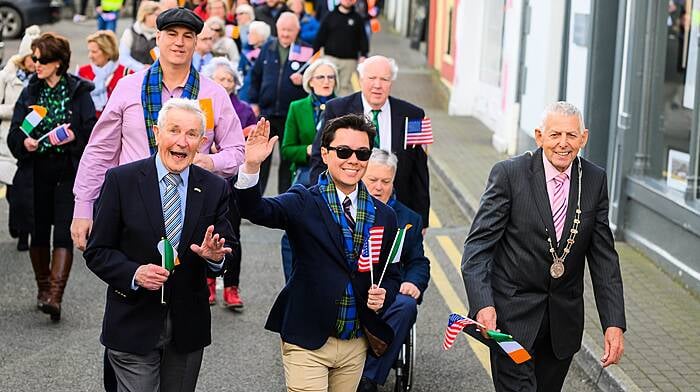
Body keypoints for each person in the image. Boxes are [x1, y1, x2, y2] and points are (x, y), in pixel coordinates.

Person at [461, 102, 626, 391]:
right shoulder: (509, 174)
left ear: (584, 138)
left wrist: (613, 323)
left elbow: (604, 259)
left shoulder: (595, 179)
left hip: (562, 326)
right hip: (511, 322)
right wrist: (483, 304)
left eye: (571, 136)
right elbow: (477, 249)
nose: (563, 144)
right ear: (539, 136)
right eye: (555, 135)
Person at [237, 113, 401, 392]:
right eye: (343, 151)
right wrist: (251, 166)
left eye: (362, 153)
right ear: (325, 154)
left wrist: (384, 293)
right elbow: (256, 210)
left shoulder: (385, 216)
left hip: (355, 342)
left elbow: (392, 273)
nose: (353, 160)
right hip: (307, 338)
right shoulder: (303, 201)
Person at [85, 98, 235, 392]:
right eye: (174, 130)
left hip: (187, 325)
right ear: (157, 133)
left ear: (202, 142)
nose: (182, 141)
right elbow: (97, 251)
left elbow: (227, 250)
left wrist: (215, 257)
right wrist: (134, 273)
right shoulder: (121, 180)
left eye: (192, 134)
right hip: (132, 320)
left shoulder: (215, 188)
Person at [71, 7, 245, 253]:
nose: (179, 42)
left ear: (196, 42)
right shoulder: (127, 87)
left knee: (184, 287)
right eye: (172, 34)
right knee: (128, 282)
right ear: (158, 38)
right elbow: (100, 150)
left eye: (187, 36)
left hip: (188, 207)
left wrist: (209, 162)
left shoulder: (214, 93)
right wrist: (83, 206)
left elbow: (237, 151)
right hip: (131, 206)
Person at [7, 32, 97, 321]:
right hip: (35, 172)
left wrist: (71, 138)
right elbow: (15, 133)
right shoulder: (30, 92)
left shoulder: (79, 92)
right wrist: (24, 142)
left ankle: (55, 296)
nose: (35, 64)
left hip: (67, 173)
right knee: (38, 231)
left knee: (62, 234)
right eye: (33, 59)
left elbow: (90, 133)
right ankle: (43, 289)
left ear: (58, 63)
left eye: (41, 59)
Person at [309, 55, 430, 229]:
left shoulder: (413, 115)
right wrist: (322, 206)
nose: (377, 85)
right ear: (360, 79)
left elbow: (420, 171)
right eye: (372, 78)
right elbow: (319, 160)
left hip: (395, 212)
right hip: (346, 211)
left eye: (384, 79)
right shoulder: (337, 109)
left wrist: (422, 219)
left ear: (391, 82)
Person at [357, 148, 429, 391]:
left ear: (393, 180)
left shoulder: (410, 219)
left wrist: (413, 283)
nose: (378, 187)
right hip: (353, 289)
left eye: (385, 181)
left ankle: (369, 378)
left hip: (389, 292)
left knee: (407, 305)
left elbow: (418, 262)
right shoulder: (348, 209)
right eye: (372, 180)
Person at [202, 57, 255, 308]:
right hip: (204, 179)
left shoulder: (244, 109)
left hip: (233, 180)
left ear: (236, 83)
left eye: (229, 79)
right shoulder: (202, 105)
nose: (225, 83)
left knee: (231, 234)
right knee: (205, 232)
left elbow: (251, 141)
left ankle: (232, 287)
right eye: (220, 78)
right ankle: (209, 282)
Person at [247, 11, 307, 194]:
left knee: (287, 162)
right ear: (277, 29)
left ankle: (286, 200)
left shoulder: (305, 50)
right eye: (283, 30)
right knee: (261, 160)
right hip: (267, 113)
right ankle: (256, 199)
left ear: (297, 30)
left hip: (292, 115)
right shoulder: (268, 47)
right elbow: (255, 76)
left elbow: (315, 81)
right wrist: (253, 101)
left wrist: (304, 79)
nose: (286, 34)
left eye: (290, 30)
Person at [0, 25, 40, 251]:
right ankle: (16, 225)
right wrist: (16, 110)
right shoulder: (6, 77)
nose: (35, 64)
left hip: (31, 143)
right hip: (7, 141)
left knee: (27, 193)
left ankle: (26, 234)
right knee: (13, 194)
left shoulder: (41, 79)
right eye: (31, 59)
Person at [313, 0, 368, 96]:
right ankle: (325, 108)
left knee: (343, 87)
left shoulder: (357, 18)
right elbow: (320, 36)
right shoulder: (330, 16)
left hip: (349, 61)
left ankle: (340, 110)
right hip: (330, 58)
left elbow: (363, 38)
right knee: (327, 84)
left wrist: (364, 54)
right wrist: (314, 53)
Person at [77, 30, 133, 118]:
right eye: (89, 51)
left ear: (108, 52)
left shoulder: (126, 73)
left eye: (94, 52)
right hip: (89, 127)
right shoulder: (82, 72)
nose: (90, 56)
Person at [119, 1, 161, 71]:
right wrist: (141, 68)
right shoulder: (130, 32)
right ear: (146, 15)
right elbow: (123, 57)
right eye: (157, 14)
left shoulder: (162, 33)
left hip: (156, 75)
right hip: (133, 75)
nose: (160, 17)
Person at [237, 20, 270, 101]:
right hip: (245, 92)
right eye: (248, 33)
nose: (249, 36)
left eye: (253, 33)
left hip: (262, 93)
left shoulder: (269, 51)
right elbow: (240, 70)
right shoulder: (246, 50)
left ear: (262, 36)